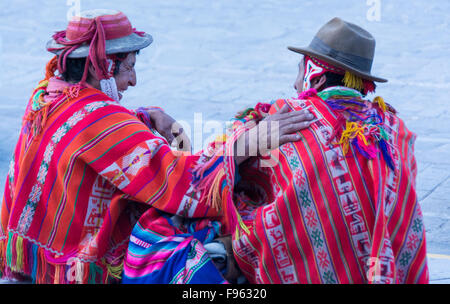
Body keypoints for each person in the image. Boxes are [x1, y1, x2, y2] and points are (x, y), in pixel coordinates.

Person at [0, 9, 314, 284]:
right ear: (100, 67)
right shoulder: (101, 119)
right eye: (129, 67)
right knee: (191, 242)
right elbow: (180, 179)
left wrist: (142, 117)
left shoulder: (47, 94)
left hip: (35, 252)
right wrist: (251, 141)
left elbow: (89, 136)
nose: (133, 81)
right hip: (78, 260)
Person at [211, 17, 429, 284]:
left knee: (224, 212)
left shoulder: (287, 117)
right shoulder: (395, 128)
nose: (294, 84)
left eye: (299, 72)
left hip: (309, 269)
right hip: (391, 271)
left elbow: (213, 166)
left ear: (317, 77)